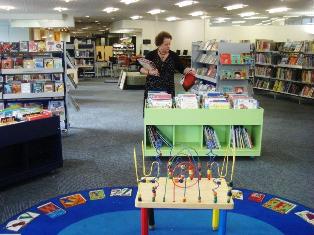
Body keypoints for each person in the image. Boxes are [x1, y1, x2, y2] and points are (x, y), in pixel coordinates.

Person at [140, 31, 195, 101]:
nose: (168, 46)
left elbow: (182, 69)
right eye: (166, 44)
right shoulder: (151, 55)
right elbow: (140, 68)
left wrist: (189, 70)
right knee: (152, 111)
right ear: (159, 44)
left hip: (168, 88)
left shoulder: (173, 55)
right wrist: (149, 72)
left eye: (169, 44)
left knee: (167, 110)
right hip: (152, 88)